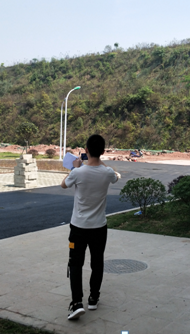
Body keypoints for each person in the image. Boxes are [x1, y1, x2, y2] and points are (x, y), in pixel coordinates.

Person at [60, 134, 120, 320]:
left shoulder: (78, 172)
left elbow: (63, 185)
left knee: (75, 263)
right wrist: (101, 162)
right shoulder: (107, 172)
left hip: (78, 227)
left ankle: (77, 303)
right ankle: (93, 298)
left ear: (86, 150)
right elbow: (115, 176)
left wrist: (74, 167)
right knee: (97, 262)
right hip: (99, 227)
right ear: (103, 151)